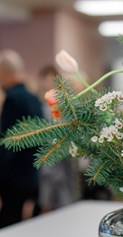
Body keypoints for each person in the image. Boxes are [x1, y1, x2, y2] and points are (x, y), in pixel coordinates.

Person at [0, 50, 43, 230]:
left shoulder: (13, 99)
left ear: (4, 72)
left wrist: (1, 169)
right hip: (30, 172)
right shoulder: (33, 98)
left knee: (7, 222)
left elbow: (9, 140)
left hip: (14, 175)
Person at [37, 65, 77, 211]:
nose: (48, 83)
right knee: (46, 199)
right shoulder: (38, 105)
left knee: (65, 199)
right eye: (45, 80)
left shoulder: (64, 107)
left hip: (63, 159)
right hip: (47, 158)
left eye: (51, 80)